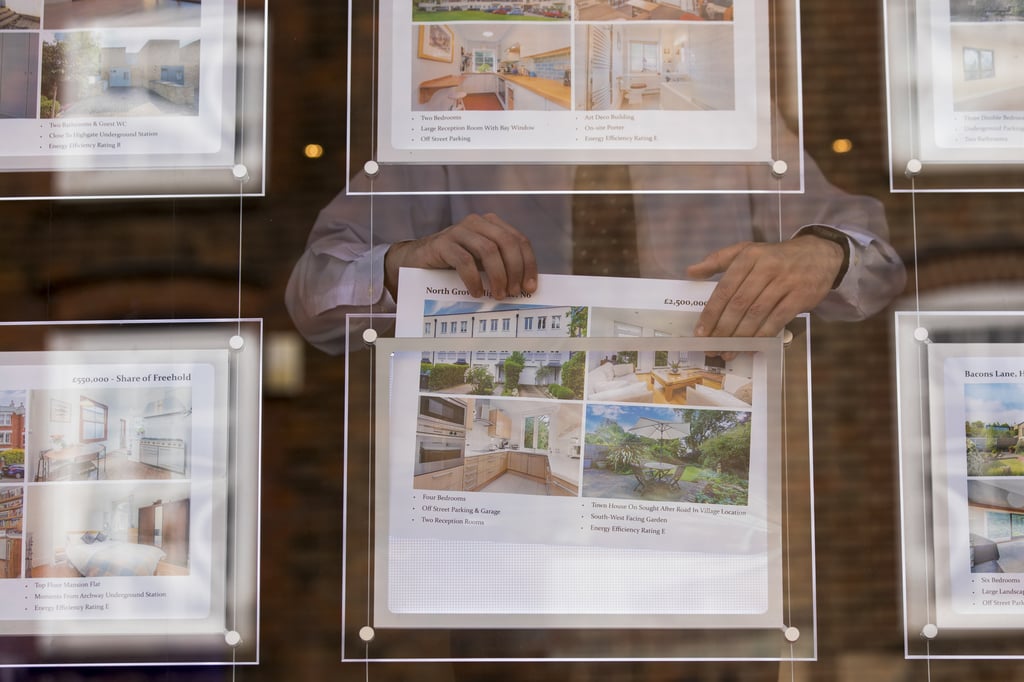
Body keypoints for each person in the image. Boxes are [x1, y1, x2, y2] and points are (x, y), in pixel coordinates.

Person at [286, 157, 906, 355]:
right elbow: (314, 298)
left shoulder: (730, 129)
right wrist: (406, 262)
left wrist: (823, 250)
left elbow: (875, 260)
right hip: (508, 542)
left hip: (711, 536)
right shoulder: (447, 137)